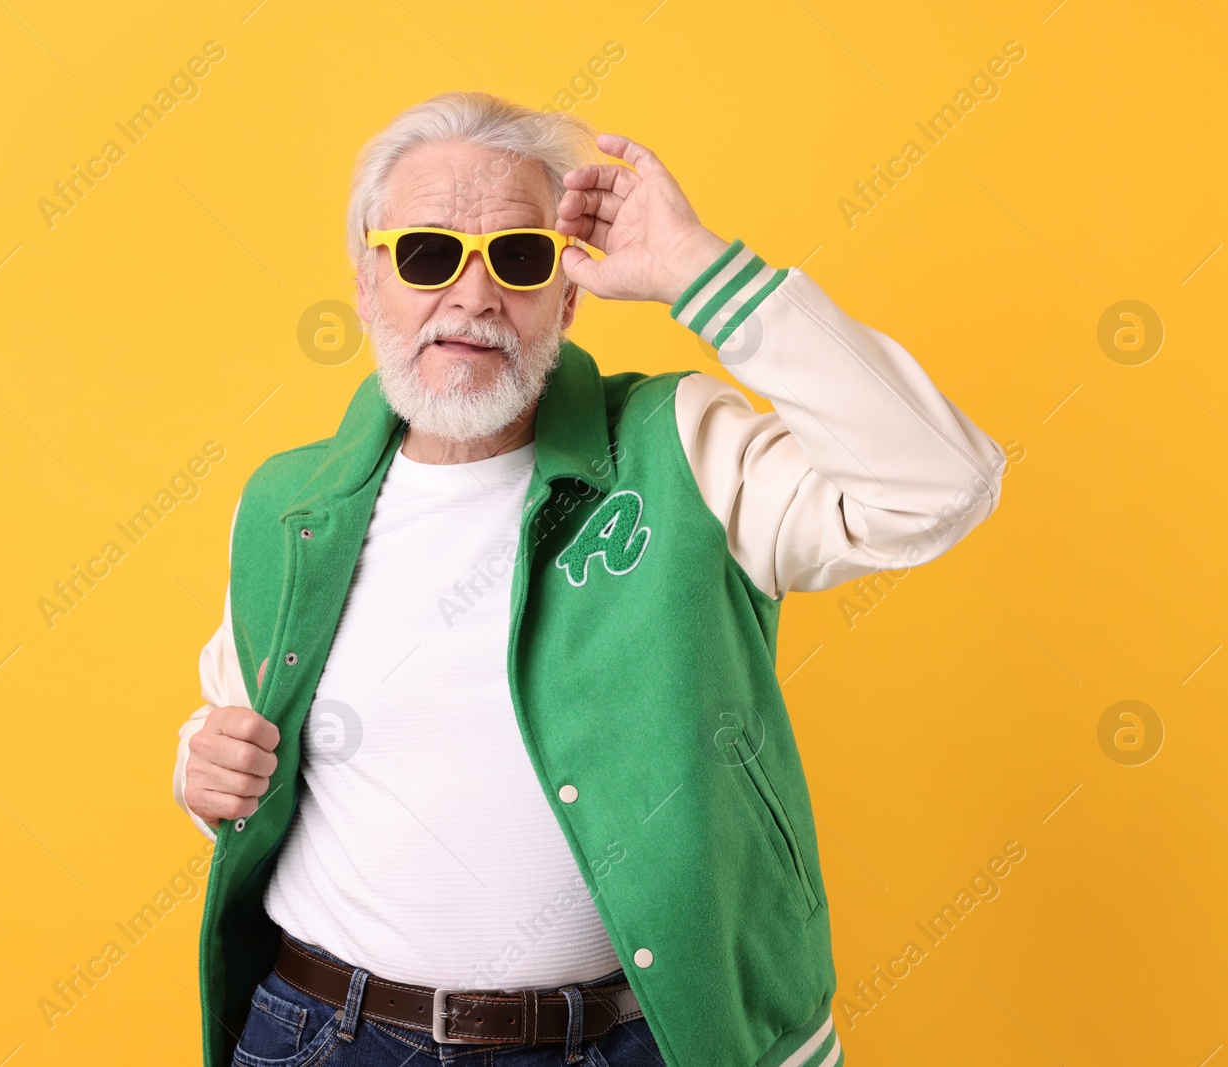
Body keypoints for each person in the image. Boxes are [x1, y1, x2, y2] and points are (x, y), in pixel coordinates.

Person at [172, 90, 1006, 1067]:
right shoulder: (287, 501)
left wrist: (702, 270)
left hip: (623, 1043)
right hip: (328, 1032)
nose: (474, 296)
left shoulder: (682, 451)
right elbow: (238, 719)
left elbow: (940, 485)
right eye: (428, 254)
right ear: (368, 284)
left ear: (566, 298)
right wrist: (201, 764)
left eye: (519, 258)